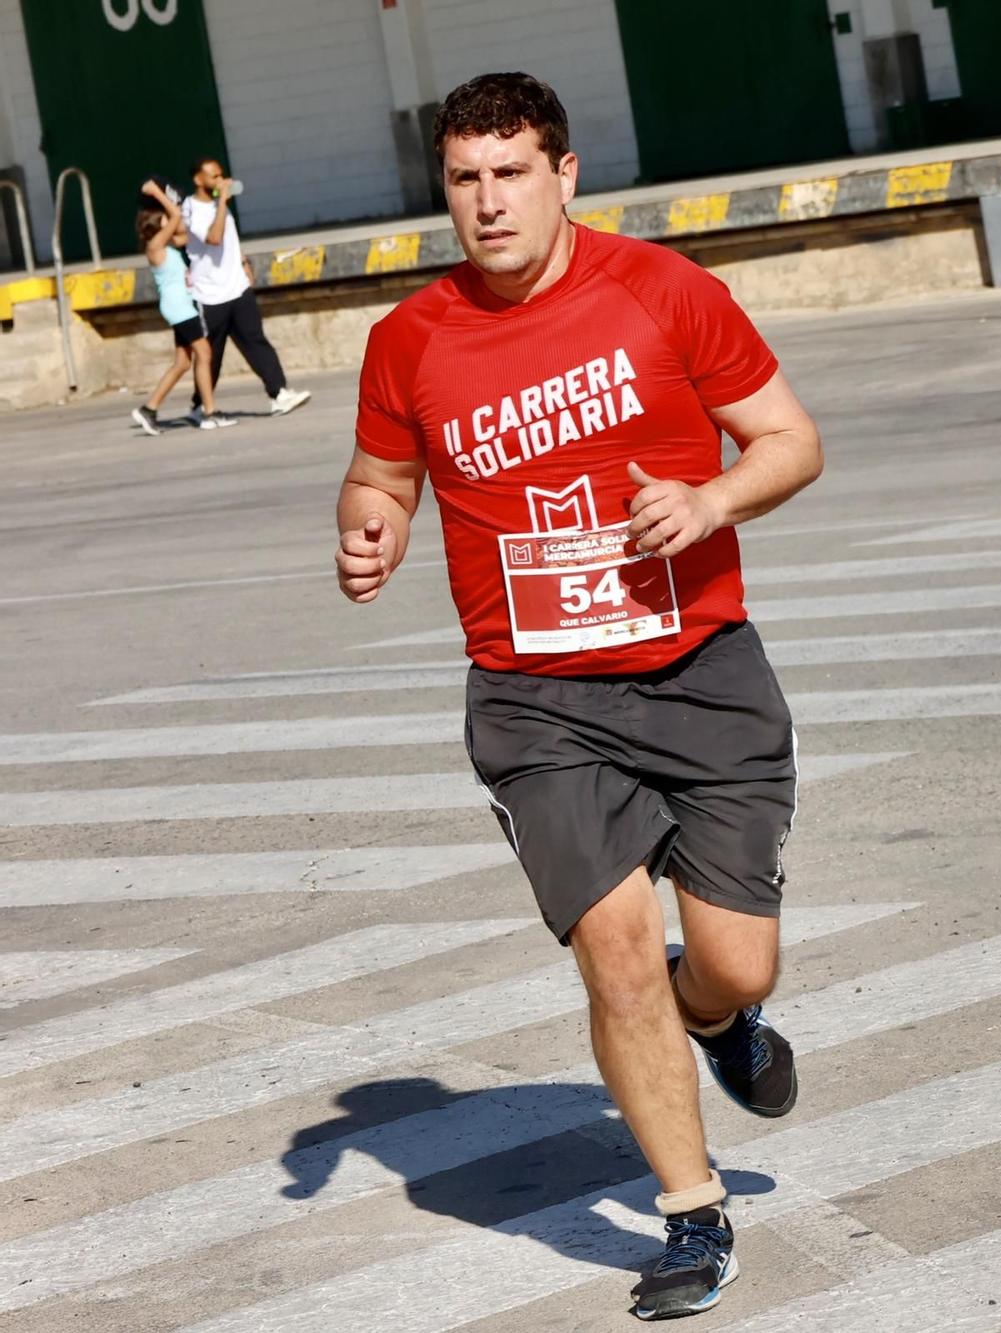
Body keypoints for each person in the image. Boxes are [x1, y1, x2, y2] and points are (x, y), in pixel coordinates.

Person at [332, 72, 823, 1318]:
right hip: (534, 701)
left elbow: (788, 439)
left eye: (511, 173)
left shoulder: (667, 293)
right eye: (463, 179)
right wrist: (370, 528)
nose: (487, 203)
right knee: (612, 957)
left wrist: (711, 500)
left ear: (565, 176)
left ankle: (716, 1014)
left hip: (699, 671)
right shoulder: (411, 339)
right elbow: (380, 473)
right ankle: (690, 1212)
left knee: (732, 960)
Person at [183, 157, 311, 418]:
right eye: (213, 177)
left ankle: (279, 393)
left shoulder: (222, 206)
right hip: (210, 295)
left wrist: (243, 262)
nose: (220, 181)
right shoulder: (191, 208)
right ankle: (199, 405)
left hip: (237, 287)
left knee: (255, 340)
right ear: (198, 180)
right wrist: (221, 203)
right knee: (211, 354)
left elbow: (230, 239)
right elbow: (214, 238)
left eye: (221, 175)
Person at [130, 179, 235, 435]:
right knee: (205, 353)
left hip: (179, 306)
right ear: (156, 226)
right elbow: (176, 214)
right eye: (165, 221)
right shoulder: (155, 247)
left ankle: (149, 409)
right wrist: (156, 192)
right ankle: (210, 412)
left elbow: (185, 229)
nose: (171, 221)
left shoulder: (166, 246)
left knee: (182, 363)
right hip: (179, 308)